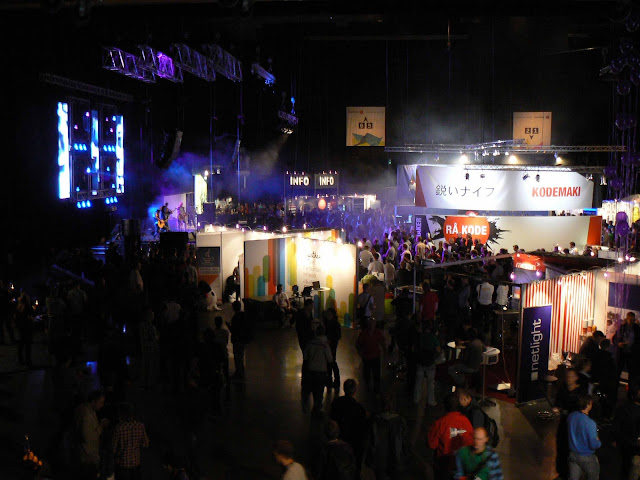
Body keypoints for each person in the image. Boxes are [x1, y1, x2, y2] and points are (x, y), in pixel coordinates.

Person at [427, 393, 474, 477]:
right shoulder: (466, 421)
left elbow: (432, 445)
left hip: (444, 466)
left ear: (445, 406)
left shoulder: (439, 423)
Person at [366, 392, 409, 480]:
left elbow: (372, 442)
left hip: (379, 461)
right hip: (395, 461)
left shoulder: (375, 421)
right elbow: (403, 442)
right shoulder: (400, 421)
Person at [330, 379, 368, 472]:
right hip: (353, 440)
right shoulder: (358, 408)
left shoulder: (336, 403)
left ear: (344, 388)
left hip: (339, 438)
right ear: (355, 390)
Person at [73, 389, 107, 478]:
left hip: (85, 455)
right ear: (93, 401)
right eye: (100, 402)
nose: (102, 405)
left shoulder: (85, 410)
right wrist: (101, 427)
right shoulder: (86, 414)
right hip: (88, 457)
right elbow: (87, 437)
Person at [567, 394, 601, 480]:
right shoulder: (590, 423)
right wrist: (598, 442)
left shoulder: (571, 416)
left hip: (572, 455)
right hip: (587, 457)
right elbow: (593, 445)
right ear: (588, 405)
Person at [112, 403, 149, 480]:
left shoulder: (119, 428)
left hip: (123, 464)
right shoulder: (140, 426)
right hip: (136, 463)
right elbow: (146, 443)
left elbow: (113, 448)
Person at [302, 325, 333, 413]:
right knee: (320, 390)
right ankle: (317, 407)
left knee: (314, 389)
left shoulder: (310, 344)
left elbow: (305, 357)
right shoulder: (325, 345)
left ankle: (315, 405)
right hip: (321, 370)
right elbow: (330, 359)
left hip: (311, 370)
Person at [614, 384, 640, 479]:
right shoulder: (625, 408)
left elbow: (617, 425)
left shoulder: (624, 408)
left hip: (626, 443)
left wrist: (615, 439)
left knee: (626, 467)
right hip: (632, 444)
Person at [413, 320, 440, 406]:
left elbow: (414, 348)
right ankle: (431, 401)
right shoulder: (433, 337)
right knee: (430, 383)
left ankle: (416, 399)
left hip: (420, 362)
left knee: (418, 382)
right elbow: (438, 350)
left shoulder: (419, 337)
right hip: (430, 362)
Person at [448, 322, 483, 387]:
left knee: (450, 369)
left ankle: (461, 382)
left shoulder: (469, 345)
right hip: (478, 366)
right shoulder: (479, 342)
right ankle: (462, 380)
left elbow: (464, 360)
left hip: (469, 367)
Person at [356, 318, 385, 394]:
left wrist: (384, 351)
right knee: (367, 374)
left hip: (375, 357)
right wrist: (360, 352)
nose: (372, 325)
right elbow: (358, 344)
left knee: (376, 374)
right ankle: (368, 388)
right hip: (367, 357)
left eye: (373, 323)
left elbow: (382, 342)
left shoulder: (377, 333)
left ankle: (376, 389)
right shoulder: (364, 333)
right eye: (370, 323)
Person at [615, 312, 640, 387]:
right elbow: (614, 338)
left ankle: (630, 391)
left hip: (632, 353)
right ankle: (615, 388)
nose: (632, 322)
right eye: (630, 320)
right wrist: (618, 344)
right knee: (618, 371)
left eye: (633, 320)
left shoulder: (637, 329)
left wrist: (634, 347)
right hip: (622, 353)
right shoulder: (622, 328)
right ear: (627, 319)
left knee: (632, 374)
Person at [226, 300, 251, 379]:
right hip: (242, 339)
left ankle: (239, 373)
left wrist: (228, 326)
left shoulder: (235, 318)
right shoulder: (243, 316)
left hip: (237, 340)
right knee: (240, 357)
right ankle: (241, 372)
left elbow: (233, 330)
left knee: (237, 358)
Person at [15, 292, 35, 368]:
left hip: (21, 327)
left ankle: (20, 359)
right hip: (27, 327)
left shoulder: (18, 306)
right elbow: (32, 314)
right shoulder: (27, 306)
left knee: (21, 344)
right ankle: (28, 361)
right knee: (27, 345)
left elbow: (17, 317)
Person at [323, 308, 341, 390]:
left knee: (331, 362)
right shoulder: (331, 323)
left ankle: (331, 381)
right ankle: (332, 381)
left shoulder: (332, 323)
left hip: (331, 345)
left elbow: (337, 336)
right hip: (331, 345)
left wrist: (330, 339)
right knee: (331, 362)